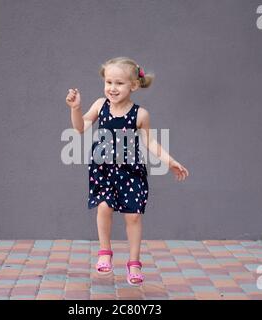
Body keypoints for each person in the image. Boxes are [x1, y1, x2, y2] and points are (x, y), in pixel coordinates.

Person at [65, 56, 190, 286]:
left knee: (132, 216)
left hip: (130, 172)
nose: (112, 88)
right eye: (109, 82)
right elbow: (80, 128)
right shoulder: (100, 105)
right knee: (103, 207)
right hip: (103, 169)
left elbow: (151, 143)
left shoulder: (140, 114)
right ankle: (105, 252)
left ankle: (134, 263)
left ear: (133, 85)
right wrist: (76, 108)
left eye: (119, 83)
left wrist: (170, 161)